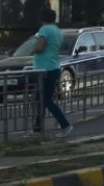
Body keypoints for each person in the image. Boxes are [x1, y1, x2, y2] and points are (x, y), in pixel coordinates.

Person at [31, 8, 73, 138]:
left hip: (45, 69)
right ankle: (37, 128)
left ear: (42, 18)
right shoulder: (57, 31)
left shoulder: (44, 29)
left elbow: (40, 47)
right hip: (53, 67)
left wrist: (33, 49)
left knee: (45, 99)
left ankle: (65, 125)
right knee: (40, 98)